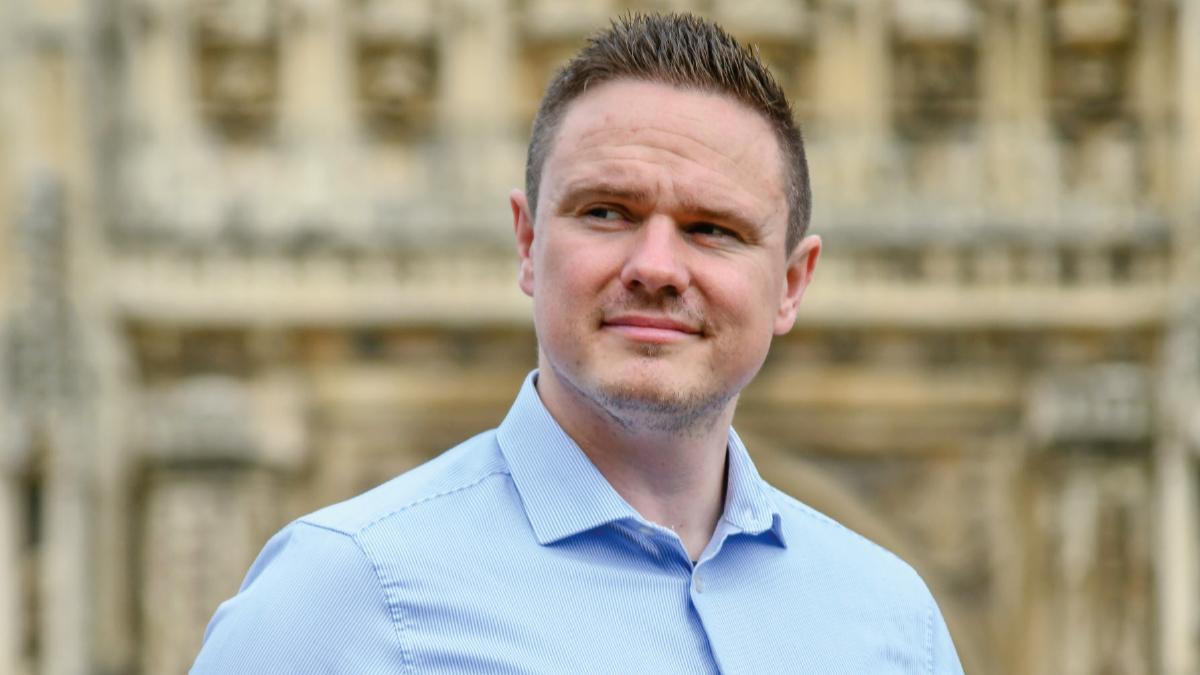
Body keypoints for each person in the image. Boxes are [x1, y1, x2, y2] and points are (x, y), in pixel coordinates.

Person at [193, 12, 964, 674]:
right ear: (528, 243)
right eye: (606, 212)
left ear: (792, 282)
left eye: (712, 229)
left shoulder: (894, 625)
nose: (656, 267)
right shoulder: (348, 589)